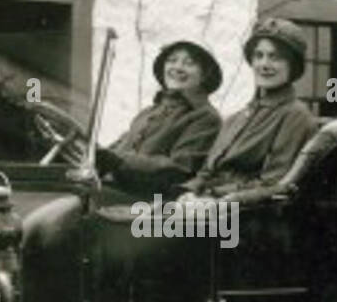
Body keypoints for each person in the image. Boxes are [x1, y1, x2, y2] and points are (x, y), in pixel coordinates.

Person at [179, 18, 318, 206]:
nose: (264, 64)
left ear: (292, 65)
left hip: (248, 216)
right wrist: (188, 193)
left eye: (275, 57)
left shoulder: (295, 116)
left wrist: (215, 198)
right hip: (208, 207)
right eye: (258, 55)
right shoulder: (235, 119)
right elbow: (205, 173)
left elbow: (274, 184)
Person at [94, 40, 222, 195]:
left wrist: (117, 160)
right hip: (113, 190)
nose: (178, 68)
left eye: (189, 63)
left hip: (153, 205)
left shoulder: (205, 117)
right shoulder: (148, 112)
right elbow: (115, 149)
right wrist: (91, 152)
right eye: (172, 60)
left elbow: (179, 170)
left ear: (205, 75)